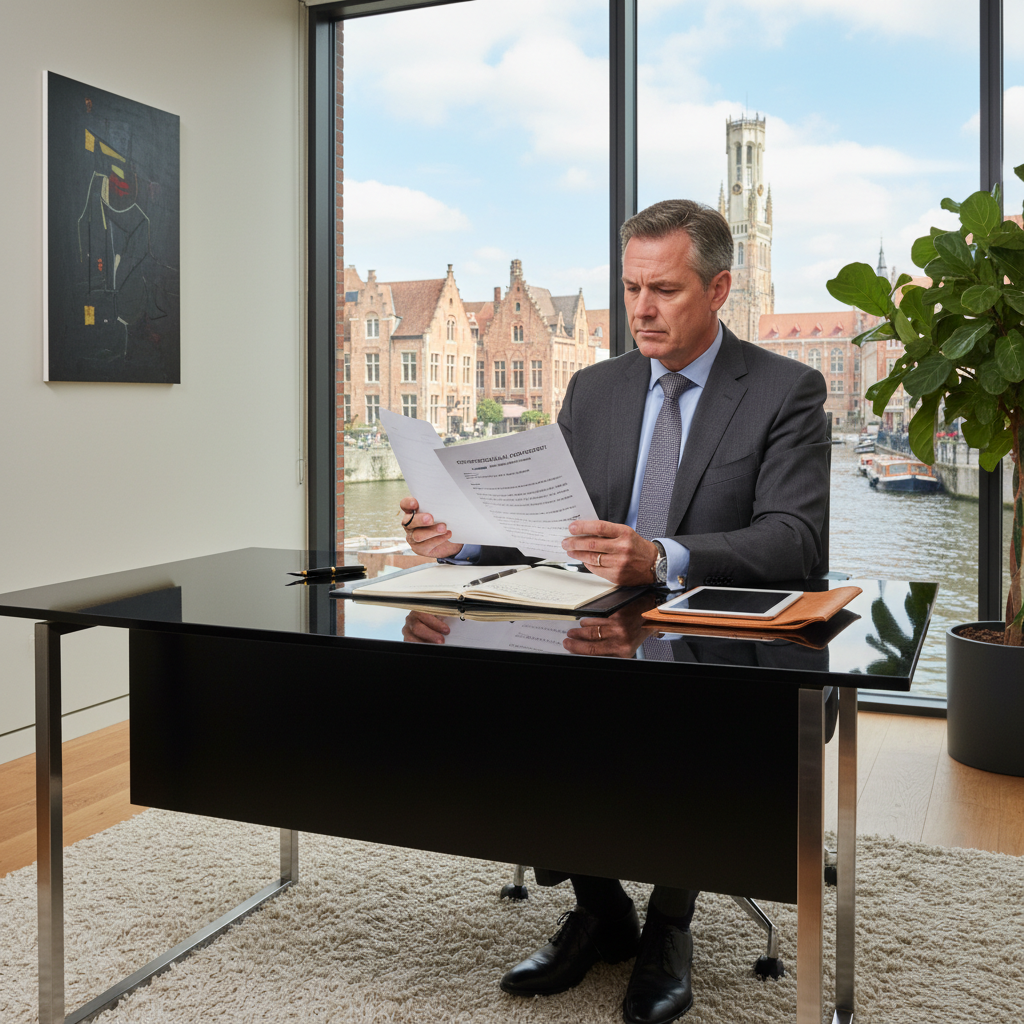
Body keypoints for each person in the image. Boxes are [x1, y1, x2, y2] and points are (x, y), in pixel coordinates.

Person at [399, 199, 829, 1024]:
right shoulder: (595, 388)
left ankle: (670, 922)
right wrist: (454, 539)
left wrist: (662, 556)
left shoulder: (785, 390)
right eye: (632, 288)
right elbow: (539, 526)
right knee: (486, 692)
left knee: (690, 722)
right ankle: (602, 906)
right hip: (587, 620)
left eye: (663, 289)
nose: (640, 309)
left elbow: (795, 540)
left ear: (719, 289)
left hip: (711, 638)